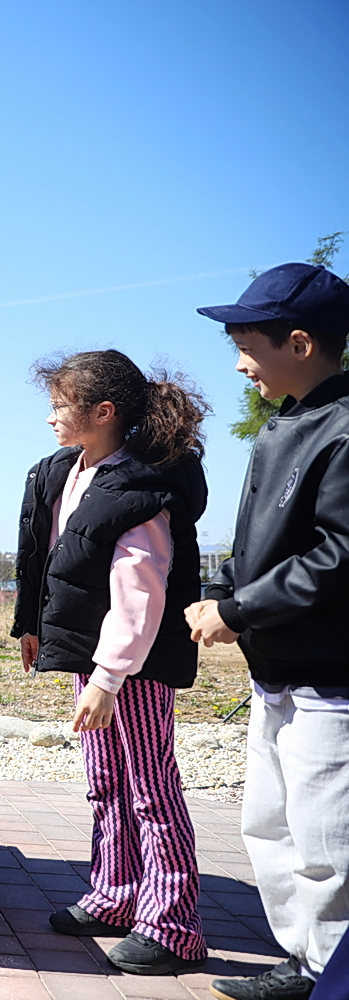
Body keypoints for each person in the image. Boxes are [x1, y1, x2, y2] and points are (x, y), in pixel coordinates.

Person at [12, 349, 210, 976]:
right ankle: (115, 894)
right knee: (106, 784)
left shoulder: (140, 485)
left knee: (150, 788)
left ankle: (173, 925)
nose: (49, 418)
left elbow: (140, 592)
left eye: (59, 406)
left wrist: (107, 676)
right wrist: (34, 627)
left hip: (134, 667)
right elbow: (47, 557)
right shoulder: (67, 472)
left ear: (104, 412)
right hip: (94, 661)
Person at [186, 263, 349, 1000]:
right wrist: (220, 591)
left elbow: (337, 554)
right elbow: (259, 536)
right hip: (276, 669)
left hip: (329, 675)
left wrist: (238, 610)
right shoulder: (285, 421)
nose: (237, 362)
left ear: (300, 342)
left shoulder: (343, 427)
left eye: (246, 344)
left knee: (325, 840)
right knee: (269, 824)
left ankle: (328, 971)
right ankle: (302, 961)